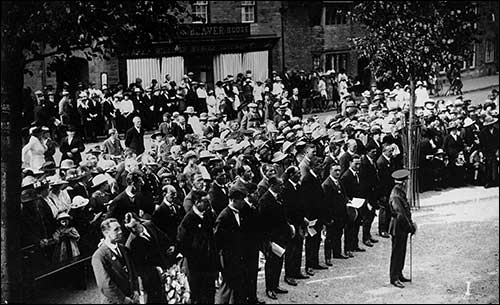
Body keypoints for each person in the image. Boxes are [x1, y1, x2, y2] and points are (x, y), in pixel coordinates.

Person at [177, 190, 217, 304]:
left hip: (209, 263)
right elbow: (182, 243)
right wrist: (194, 255)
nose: (208, 204)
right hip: (196, 266)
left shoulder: (208, 215)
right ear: (196, 202)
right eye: (205, 201)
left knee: (210, 293)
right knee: (198, 295)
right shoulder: (188, 220)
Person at [124, 212, 173, 303]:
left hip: (165, 265)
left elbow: (162, 236)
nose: (133, 230)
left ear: (139, 221)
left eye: (135, 226)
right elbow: (139, 268)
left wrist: (170, 245)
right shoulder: (131, 244)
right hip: (152, 278)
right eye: (130, 228)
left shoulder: (149, 225)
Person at [258, 176, 292, 300]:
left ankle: (275, 285)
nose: (282, 187)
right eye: (280, 185)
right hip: (271, 238)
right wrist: (267, 241)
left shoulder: (279, 197)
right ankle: (269, 288)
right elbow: (262, 223)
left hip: (281, 236)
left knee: (279, 261)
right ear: (272, 185)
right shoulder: (265, 200)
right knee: (271, 263)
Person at [91, 218, 139, 304]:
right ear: (106, 233)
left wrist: (135, 290)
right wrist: (123, 299)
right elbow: (105, 285)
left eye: (120, 228)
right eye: (116, 230)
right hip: (115, 301)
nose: (120, 231)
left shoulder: (123, 248)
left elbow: (132, 271)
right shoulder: (99, 256)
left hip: (131, 297)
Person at [214, 185, 248, 304]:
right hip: (228, 258)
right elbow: (218, 242)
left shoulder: (240, 212)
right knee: (227, 286)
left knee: (237, 286)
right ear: (234, 200)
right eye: (242, 200)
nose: (244, 202)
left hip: (238, 256)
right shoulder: (224, 217)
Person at [388, 169, 416, 288]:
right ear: (403, 182)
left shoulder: (399, 192)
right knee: (397, 253)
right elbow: (400, 214)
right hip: (398, 228)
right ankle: (394, 278)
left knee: (401, 252)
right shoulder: (396, 194)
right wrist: (410, 227)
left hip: (401, 228)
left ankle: (399, 274)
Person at [282, 166, 309, 282]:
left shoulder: (298, 186)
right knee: (291, 250)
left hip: (299, 222)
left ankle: (297, 271)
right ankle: (289, 275)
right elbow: (286, 209)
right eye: (297, 173)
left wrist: (303, 218)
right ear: (291, 175)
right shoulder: (286, 188)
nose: (299, 175)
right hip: (291, 224)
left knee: (298, 248)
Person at [322, 163, 350, 264]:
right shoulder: (327, 185)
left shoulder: (339, 182)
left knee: (339, 233)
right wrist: (328, 218)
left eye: (339, 170)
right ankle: (328, 257)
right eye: (335, 170)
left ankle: (337, 252)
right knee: (329, 237)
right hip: (332, 215)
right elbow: (326, 204)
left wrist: (347, 200)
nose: (338, 172)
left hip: (340, 214)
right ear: (330, 171)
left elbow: (343, 195)